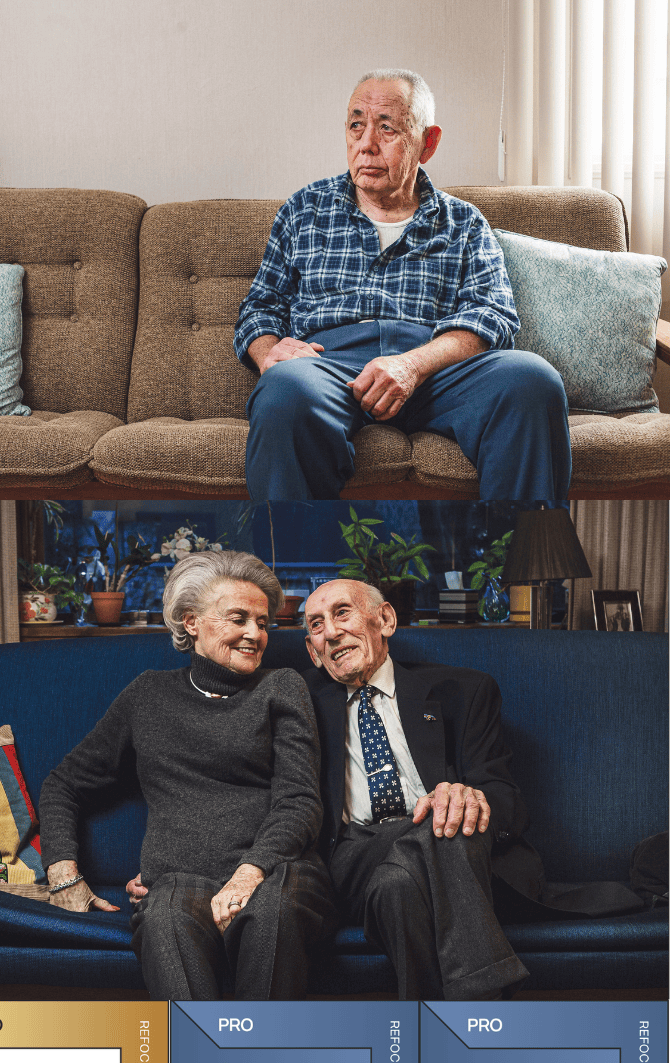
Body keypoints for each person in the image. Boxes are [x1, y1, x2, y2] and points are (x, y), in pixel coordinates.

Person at [235, 69, 570, 500]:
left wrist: (412, 365)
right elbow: (259, 307)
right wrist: (268, 352)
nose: (367, 144)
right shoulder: (305, 210)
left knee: (532, 379)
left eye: (387, 127)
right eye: (357, 125)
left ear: (427, 143)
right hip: (330, 368)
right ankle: (301, 566)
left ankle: (520, 565)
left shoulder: (463, 222)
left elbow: (494, 313)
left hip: (437, 371)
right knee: (283, 391)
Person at [43, 551, 337, 1000]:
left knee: (274, 915)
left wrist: (247, 875)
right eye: (238, 618)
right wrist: (64, 874)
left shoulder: (281, 687)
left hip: (278, 872)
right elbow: (63, 784)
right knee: (164, 919)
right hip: (180, 881)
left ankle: (264, 1062)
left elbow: (300, 802)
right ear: (191, 622)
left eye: (263, 623)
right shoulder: (148, 695)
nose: (254, 634)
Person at [299, 578, 530, 999]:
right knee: (440, 828)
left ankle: (426, 1040)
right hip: (354, 856)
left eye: (342, 612)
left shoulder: (464, 691)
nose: (331, 632)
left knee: (401, 884)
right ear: (314, 652)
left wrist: (469, 798)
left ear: (385, 619)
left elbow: (505, 800)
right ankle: (485, 1011)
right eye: (316, 625)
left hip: (446, 853)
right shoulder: (299, 709)